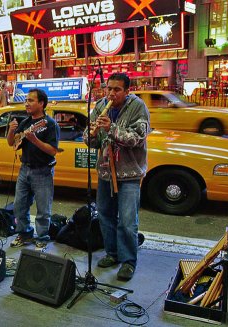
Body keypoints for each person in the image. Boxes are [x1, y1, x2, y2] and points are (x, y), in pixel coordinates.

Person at [84, 73, 150, 281]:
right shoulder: (100, 105)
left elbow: (137, 138)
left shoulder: (138, 107)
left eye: (117, 90)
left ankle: (128, 261)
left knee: (128, 221)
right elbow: (88, 138)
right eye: (109, 89)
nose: (111, 94)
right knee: (104, 215)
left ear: (127, 91)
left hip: (129, 173)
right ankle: (112, 253)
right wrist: (93, 135)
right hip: (105, 171)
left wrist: (110, 128)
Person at [7, 88, 60, 250]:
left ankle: (42, 237)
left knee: (43, 209)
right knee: (19, 205)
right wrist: (11, 130)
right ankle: (24, 234)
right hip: (25, 169)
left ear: (41, 103)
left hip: (43, 171)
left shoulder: (49, 124)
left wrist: (35, 140)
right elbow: (12, 143)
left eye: (31, 100)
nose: (27, 103)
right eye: (26, 100)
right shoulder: (25, 122)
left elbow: (52, 150)